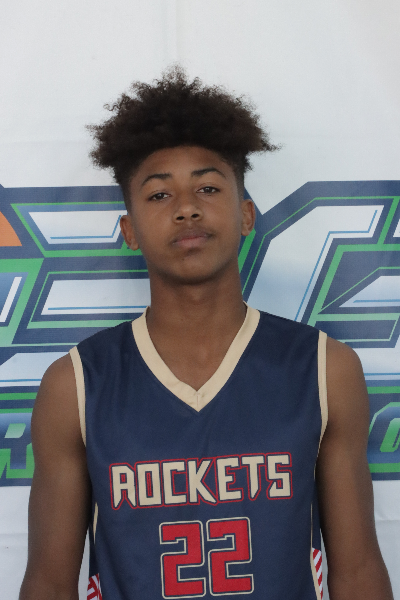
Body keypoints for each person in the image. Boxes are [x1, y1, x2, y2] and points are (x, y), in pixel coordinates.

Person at [19, 67, 393, 600]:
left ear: (246, 215)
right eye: (158, 195)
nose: (187, 207)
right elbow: (50, 584)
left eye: (208, 187)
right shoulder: (76, 384)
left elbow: (357, 574)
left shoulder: (324, 368)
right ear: (129, 230)